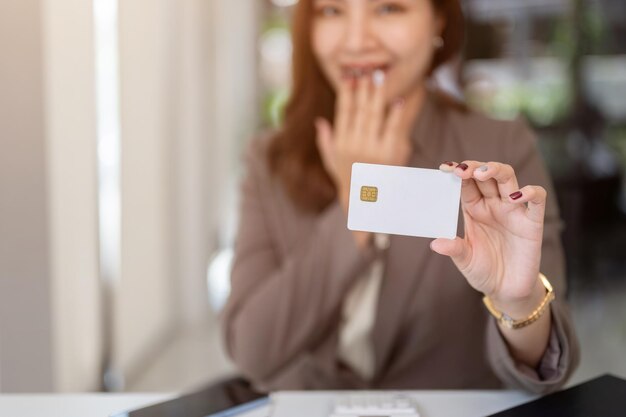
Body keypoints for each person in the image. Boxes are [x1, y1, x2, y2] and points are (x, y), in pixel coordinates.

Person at [221, 0, 579, 393]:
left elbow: (542, 370)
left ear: (438, 20)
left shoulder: (498, 150)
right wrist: (355, 201)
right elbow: (250, 348)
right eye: (331, 11)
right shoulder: (269, 159)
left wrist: (517, 302)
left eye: (389, 9)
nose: (356, 42)